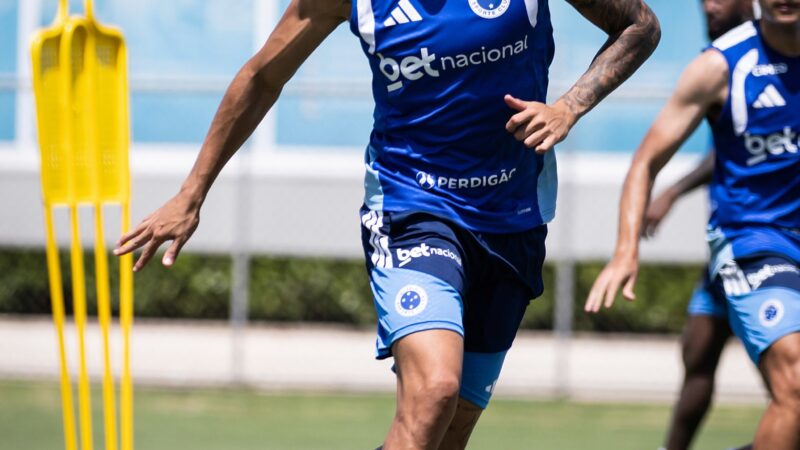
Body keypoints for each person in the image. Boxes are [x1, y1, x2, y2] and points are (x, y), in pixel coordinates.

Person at [114, 0, 660, 447]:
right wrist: (191, 193)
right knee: (434, 393)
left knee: (446, 432)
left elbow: (639, 26)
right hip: (411, 206)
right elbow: (262, 76)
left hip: (512, 216)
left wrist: (569, 106)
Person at [585, 0, 800, 448]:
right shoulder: (721, 66)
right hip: (754, 241)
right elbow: (645, 162)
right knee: (791, 382)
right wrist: (626, 249)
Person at [643, 2, 753, 450]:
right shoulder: (717, 61)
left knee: (787, 384)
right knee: (697, 351)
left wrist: (670, 191)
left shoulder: (770, 60)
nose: (710, 6)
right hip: (729, 247)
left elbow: (729, 156)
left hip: (776, 246)